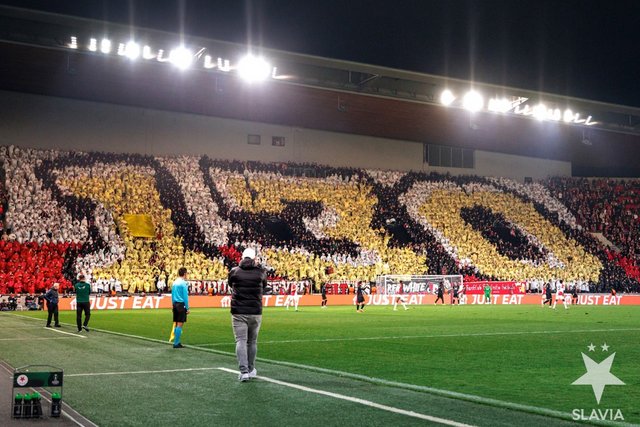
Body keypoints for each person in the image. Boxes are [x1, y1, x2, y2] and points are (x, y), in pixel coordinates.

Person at [228, 248, 268, 382]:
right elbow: (264, 285)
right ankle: (251, 369)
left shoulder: (234, 271)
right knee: (252, 342)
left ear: (243, 257)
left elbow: (230, 284)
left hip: (239, 311)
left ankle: (244, 371)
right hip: (255, 311)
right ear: (254, 258)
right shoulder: (261, 272)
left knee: (241, 341)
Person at [171, 267, 190, 348]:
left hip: (175, 304)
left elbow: (172, 295)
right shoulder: (183, 283)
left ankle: (176, 341)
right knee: (180, 324)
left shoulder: (174, 282)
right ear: (185, 274)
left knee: (176, 323)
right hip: (181, 304)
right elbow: (185, 296)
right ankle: (176, 343)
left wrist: (172, 304)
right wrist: (188, 308)